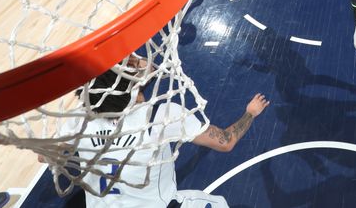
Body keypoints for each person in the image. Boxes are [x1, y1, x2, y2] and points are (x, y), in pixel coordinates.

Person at [67, 60, 269, 207]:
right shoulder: (159, 116)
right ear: (134, 90)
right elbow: (226, 142)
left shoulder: (77, 119)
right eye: (130, 65)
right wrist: (250, 113)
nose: (136, 63)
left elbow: (43, 156)